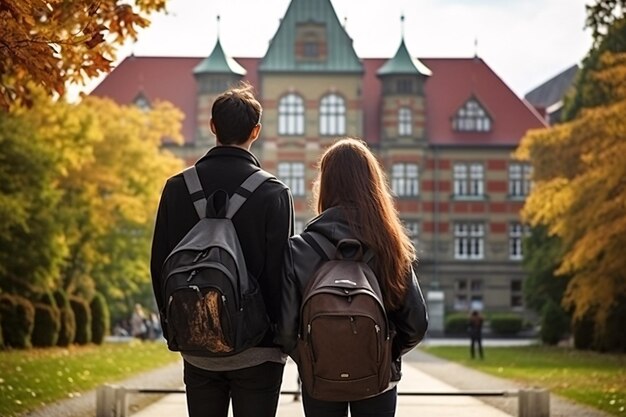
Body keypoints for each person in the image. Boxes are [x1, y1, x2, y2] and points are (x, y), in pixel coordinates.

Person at [150, 82, 294, 417]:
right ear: (255, 132)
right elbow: (280, 275)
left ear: (212, 126)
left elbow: (160, 264)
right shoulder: (274, 193)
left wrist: (177, 326)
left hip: (198, 344)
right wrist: (280, 339)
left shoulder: (177, 187)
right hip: (258, 352)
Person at [275, 138, 428, 417]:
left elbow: (285, 330)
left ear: (326, 184)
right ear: (373, 184)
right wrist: (384, 355)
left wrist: (313, 359)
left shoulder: (299, 249)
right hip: (378, 380)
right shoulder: (391, 246)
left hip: (319, 379)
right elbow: (416, 323)